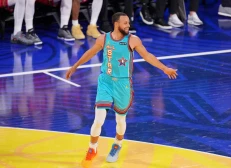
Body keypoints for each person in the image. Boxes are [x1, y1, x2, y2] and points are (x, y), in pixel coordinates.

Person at [65, 12, 177, 167]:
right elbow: (90, 53)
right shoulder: (103, 39)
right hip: (105, 81)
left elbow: (147, 56)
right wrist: (75, 66)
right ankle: (92, 148)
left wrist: (164, 68)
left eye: (128, 23)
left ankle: (117, 144)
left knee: (120, 120)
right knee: (98, 119)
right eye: (125, 23)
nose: (128, 25)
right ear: (116, 24)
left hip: (123, 85)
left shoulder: (132, 40)